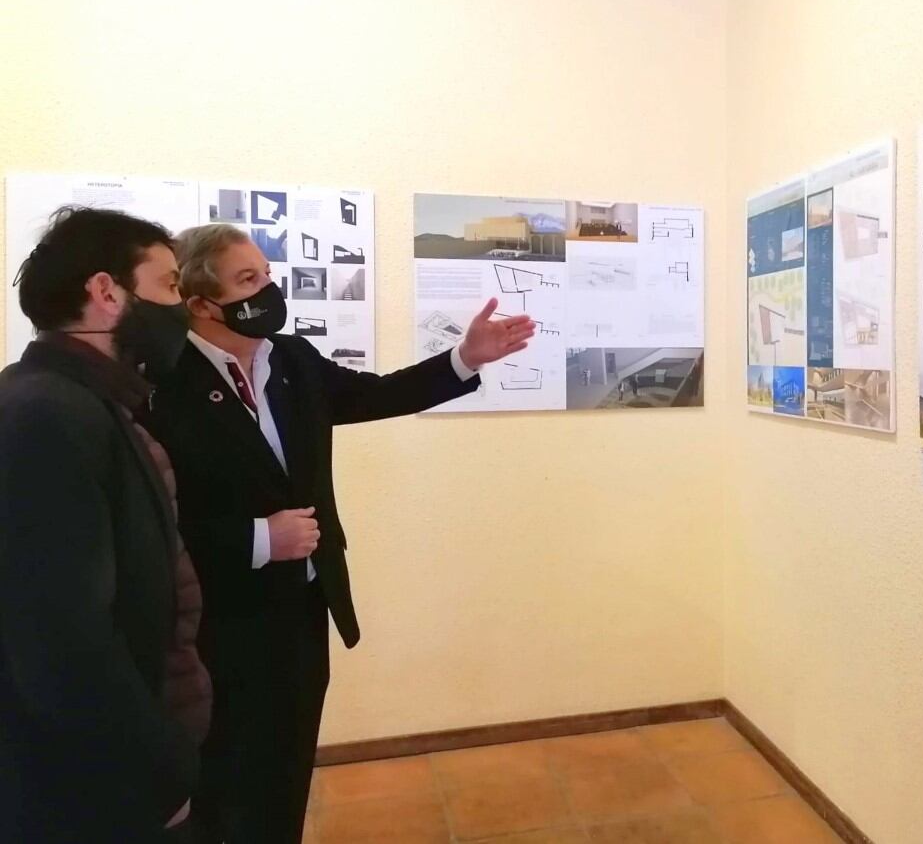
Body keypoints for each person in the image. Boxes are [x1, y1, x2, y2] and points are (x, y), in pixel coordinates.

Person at [145, 224, 536, 844]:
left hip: (303, 603)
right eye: (247, 280)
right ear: (199, 303)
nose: (268, 289)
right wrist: (257, 539)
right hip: (217, 620)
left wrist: (465, 358)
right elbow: (149, 521)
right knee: (226, 775)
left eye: (266, 274)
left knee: (287, 764)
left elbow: (374, 396)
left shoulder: (290, 359)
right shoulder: (161, 382)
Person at [0, 207, 208, 842]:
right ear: (106, 291)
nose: (181, 307)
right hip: (93, 791)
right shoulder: (46, 414)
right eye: (168, 285)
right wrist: (157, 772)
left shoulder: (81, 400)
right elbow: (63, 640)